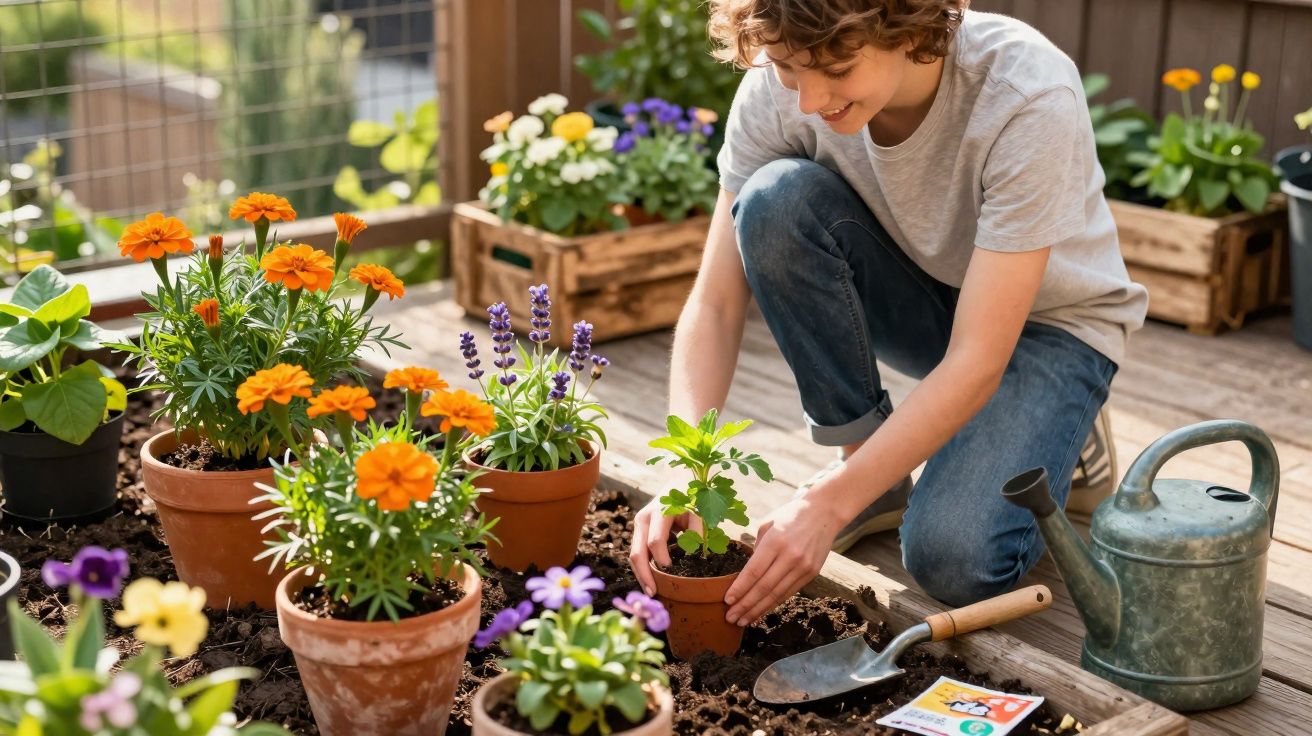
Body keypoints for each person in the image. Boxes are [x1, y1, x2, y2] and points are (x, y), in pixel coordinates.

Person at [627, 0, 1148, 626]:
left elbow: (979, 358)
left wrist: (823, 509)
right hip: (924, 295)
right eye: (791, 69)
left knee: (952, 562)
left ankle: (1069, 422)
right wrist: (686, 465)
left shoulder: (1024, 95)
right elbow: (714, 302)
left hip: (1050, 328)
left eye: (838, 70)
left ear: (910, 29)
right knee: (772, 204)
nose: (809, 100)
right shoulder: (780, 85)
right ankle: (868, 468)